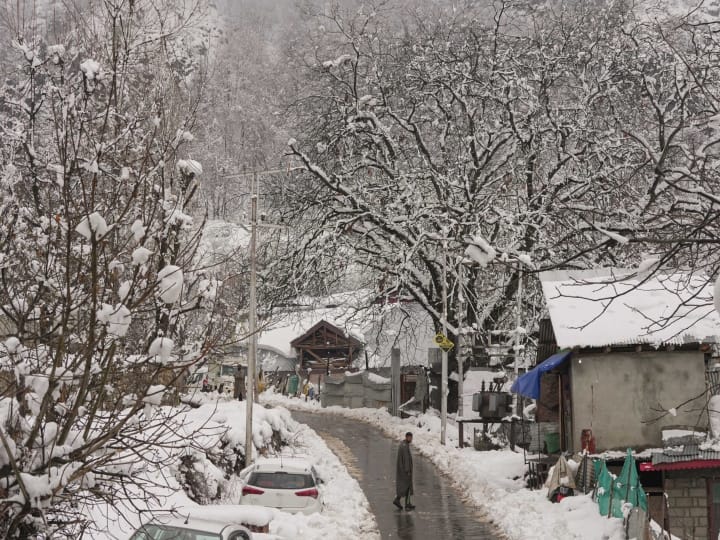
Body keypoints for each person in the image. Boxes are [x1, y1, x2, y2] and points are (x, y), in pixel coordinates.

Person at [393, 432, 414, 510]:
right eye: (410, 438)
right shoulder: (404, 446)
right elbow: (406, 460)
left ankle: (402, 501)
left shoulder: (404, 444)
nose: (411, 439)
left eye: (411, 438)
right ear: (406, 437)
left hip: (402, 471)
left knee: (404, 487)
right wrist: (408, 470)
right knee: (407, 487)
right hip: (405, 471)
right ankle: (406, 503)